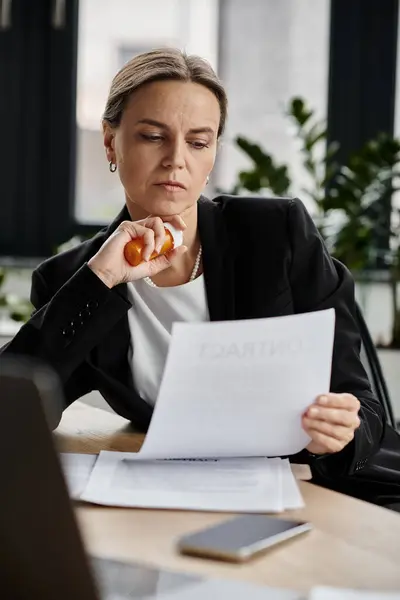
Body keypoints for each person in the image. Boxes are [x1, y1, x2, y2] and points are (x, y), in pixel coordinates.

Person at [1, 48, 384, 482]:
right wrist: (102, 277)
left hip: (310, 485)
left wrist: (336, 435)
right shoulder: (72, 280)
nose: (176, 159)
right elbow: (12, 416)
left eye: (198, 142)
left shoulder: (277, 233)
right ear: (110, 141)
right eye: (152, 136)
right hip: (172, 491)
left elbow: (365, 410)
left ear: (213, 153)